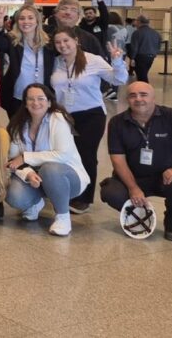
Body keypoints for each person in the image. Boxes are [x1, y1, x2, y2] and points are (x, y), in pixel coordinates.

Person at [100, 82, 172, 242]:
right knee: (110, 192)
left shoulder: (171, 116)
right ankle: (139, 214)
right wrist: (133, 188)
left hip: (166, 177)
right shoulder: (117, 122)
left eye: (143, 94)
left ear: (154, 98)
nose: (138, 99)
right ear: (127, 99)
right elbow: (117, 159)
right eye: (133, 95)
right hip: (133, 177)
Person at [50, 26, 128, 214]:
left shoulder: (93, 60)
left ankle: (84, 198)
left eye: (66, 41)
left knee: (86, 155)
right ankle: (69, 190)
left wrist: (117, 61)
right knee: (65, 154)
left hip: (91, 115)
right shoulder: (56, 63)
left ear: (76, 40)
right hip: (64, 116)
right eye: (58, 42)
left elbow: (119, 80)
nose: (62, 45)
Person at [5, 84, 89, 237]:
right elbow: (12, 160)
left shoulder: (58, 118)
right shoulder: (19, 124)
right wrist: (28, 173)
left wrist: (26, 156)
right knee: (14, 197)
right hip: (34, 178)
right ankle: (36, 203)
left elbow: (62, 155)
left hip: (66, 177)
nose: (35, 103)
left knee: (50, 169)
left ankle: (63, 218)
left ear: (49, 102)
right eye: (30, 99)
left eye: (40, 98)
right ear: (25, 103)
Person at [1, 5, 54, 115]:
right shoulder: (12, 40)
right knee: (17, 131)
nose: (26, 21)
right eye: (22, 18)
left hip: (42, 98)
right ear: (17, 21)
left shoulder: (49, 43)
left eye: (30, 18)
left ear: (37, 21)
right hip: (18, 98)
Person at [129, 15, 162, 82]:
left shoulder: (137, 33)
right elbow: (159, 45)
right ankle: (143, 89)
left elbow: (134, 47)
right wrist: (154, 53)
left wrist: (132, 58)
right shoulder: (156, 33)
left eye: (136, 20)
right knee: (143, 74)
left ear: (139, 22)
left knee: (142, 77)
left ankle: (145, 90)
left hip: (140, 57)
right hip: (151, 57)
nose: (135, 22)